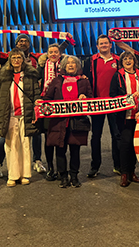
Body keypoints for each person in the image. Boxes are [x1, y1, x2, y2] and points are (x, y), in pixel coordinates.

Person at [0, 27, 73, 177]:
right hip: (11, 101)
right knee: (6, 135)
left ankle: (37, 161)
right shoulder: (9, 57)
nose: (23, 43)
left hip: (31, 99)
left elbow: (54, 53)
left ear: (29, 44)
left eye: (25, 41)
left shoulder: (37, 58)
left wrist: (66, 42)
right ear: (16, 44)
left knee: (35, 132)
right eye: (20, 41)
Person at [0, 49, 41, 186]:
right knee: (11, 146)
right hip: (10, 115)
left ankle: (25, 175)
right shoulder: (4, 77)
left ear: (23, 59)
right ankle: (13, 175)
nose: (17, 60)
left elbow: (36, 95)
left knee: (25, 145)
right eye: (14, 58)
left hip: (26, 115)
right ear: (10, 60)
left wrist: (37, 108)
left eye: (19, 57)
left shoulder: (30, 76)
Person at [41, 55, 92, 187]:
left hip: (77, 121)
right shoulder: (57, 81)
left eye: (73, 63)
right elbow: (48, 97)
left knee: (75, 150)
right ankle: (63, 176)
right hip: (59, 122)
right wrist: (40, 102)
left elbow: (91, 98)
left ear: (77, 66)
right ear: (63, 66)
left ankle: (74, 176)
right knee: (60, 150)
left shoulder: (84, 81)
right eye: (68, 63)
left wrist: (84, 97)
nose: (70, 65)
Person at [109, 52, 139, 187]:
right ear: (121, 62)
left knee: (135, 146)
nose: (128, 61)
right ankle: (124, 173)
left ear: (134, 61)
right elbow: (112, 95)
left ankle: (132, 172)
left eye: (130, 59)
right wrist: (124, 99)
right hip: (124, 117)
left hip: (138, 116)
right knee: (125, 145)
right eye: (125, 59)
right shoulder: (118, 76)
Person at [83, 34, 121, 178]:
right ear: (97, 46)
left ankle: (118, 166)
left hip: (114, 104)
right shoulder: (90, 61)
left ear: (111, 45)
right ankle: (95, 166)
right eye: (101, 44)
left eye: (106, 43)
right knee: (96, 136)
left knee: (116, 135)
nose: (104, 45)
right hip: (97, 104)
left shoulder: (118, 60)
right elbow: (84, 79)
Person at [39, 43, 66, 181]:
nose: (54, 54)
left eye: (56, 52)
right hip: (46, 104)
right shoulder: (42, 66)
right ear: (47, 54)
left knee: (61, 136)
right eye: (51, 52)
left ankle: (62, 169)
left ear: (60, 53)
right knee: (48, 137)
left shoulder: (66, 66)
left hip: (62, 105)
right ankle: (50, 167)